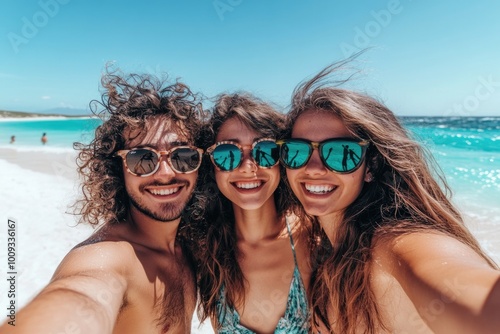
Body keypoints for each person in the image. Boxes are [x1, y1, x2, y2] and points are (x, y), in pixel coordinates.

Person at [279, 61, 500, 334]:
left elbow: (467, 288)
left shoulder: (395, 245)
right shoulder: (322, 248)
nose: (312, 169)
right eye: (296, 151)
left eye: (340, 153)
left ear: (370, 166)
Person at [0, 70, 206, 333]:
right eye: (142, 158)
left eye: (183, 156)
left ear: (201, 164)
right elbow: (81, 293)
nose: (165, 174)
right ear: (116, 169)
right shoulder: (108, 259)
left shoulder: (191, 245)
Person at [192, 93, 312, 333]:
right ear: (211, 166)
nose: (248, 167)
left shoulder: (312, 239)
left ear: (281, 159)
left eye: (264, 150)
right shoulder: (204, 251)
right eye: (227, 154)